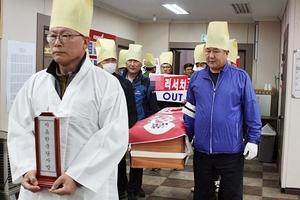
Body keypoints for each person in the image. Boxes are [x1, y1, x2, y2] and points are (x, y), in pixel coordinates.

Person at [7, 0, 129, 199]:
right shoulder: (34, 83)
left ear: (84, 41)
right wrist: (27, 168)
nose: (57, 42)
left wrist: (76, 176)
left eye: (65, 35)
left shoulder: (107, 85)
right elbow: (19, 128)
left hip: (85, 189)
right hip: (40, 189)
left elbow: (113, 136)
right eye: (52, 35)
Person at [183, 21, 261, 200]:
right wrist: (186, 136)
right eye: (208, 50)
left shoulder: (240, 78)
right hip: (202, 151)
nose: (210, 55)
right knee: (202, 194)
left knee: (231, 195)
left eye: (216, 51)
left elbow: (251, 110)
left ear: (226, 53)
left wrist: (254, 139)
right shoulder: (196, 78)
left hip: (231, 151)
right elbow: (190, 111)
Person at [95, 38, 138, 199]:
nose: (110, 63)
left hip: (117, 134)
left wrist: (125, 131)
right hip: (95, 135)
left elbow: (132, 112)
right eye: (107, 60)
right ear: (99, 62)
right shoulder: (90, 81)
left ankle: (121, 190)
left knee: (118, 166)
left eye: (113, 60)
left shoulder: (124, 84)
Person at [122, 44, 159, 200]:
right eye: (130, 61)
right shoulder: (118, 79)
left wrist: (149, 124)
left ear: (141, 64)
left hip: (139, 125)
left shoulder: (147, 82)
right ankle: (123, 186)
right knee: (119, 159)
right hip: (120, 124)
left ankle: (134, 188)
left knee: (137, 160)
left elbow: (152, 105)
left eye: (135, 61)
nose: (132, 64)